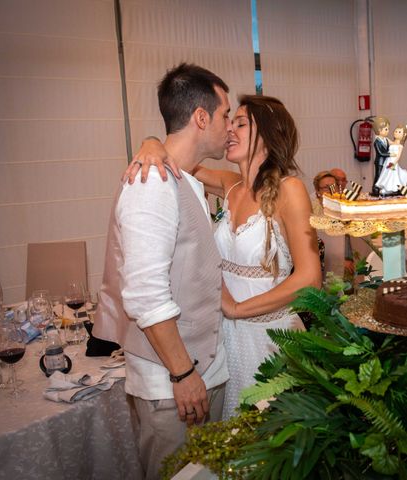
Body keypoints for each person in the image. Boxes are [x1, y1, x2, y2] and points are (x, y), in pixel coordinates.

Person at [126, 95, 322, 420]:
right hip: (224, 342)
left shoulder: (291, 190)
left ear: (270, 135)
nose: (229, 129)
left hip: (269, 340)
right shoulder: (231, 185)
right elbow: (184, 158)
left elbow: (310, 279)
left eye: (241, 123)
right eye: (230, 121)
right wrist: (150, 143)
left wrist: (236, 308)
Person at [93, 64, 230, 480]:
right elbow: (146, 297)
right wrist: (183, 372)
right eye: (226, 114)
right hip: (173, 384)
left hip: (202, 369)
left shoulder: (182, 177)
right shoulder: (151, 184)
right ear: (201, 117)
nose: (229, 126)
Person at [374, 124, 407, 196]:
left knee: (392, 175)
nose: (396, 132)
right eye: (396, 131)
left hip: (393, 162)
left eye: (399, 132)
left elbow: (398, 156)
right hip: (388, 161)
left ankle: (393, 188)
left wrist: (394, 163)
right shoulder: (392, 142)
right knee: (385, 174)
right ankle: (386, 188)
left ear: (404, 135)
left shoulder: (400, 146)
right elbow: (385, 139)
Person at [371, 116, 390, 196]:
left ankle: (384, 189)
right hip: (380, 162)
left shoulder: (386, 140)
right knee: (378, 176)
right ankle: (375, 189)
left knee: (385, 175)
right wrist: (390, 154)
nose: (388, 131)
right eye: (386, 129)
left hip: (385, 162)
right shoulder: (377, 141)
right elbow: (381, 153)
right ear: (379, 130)